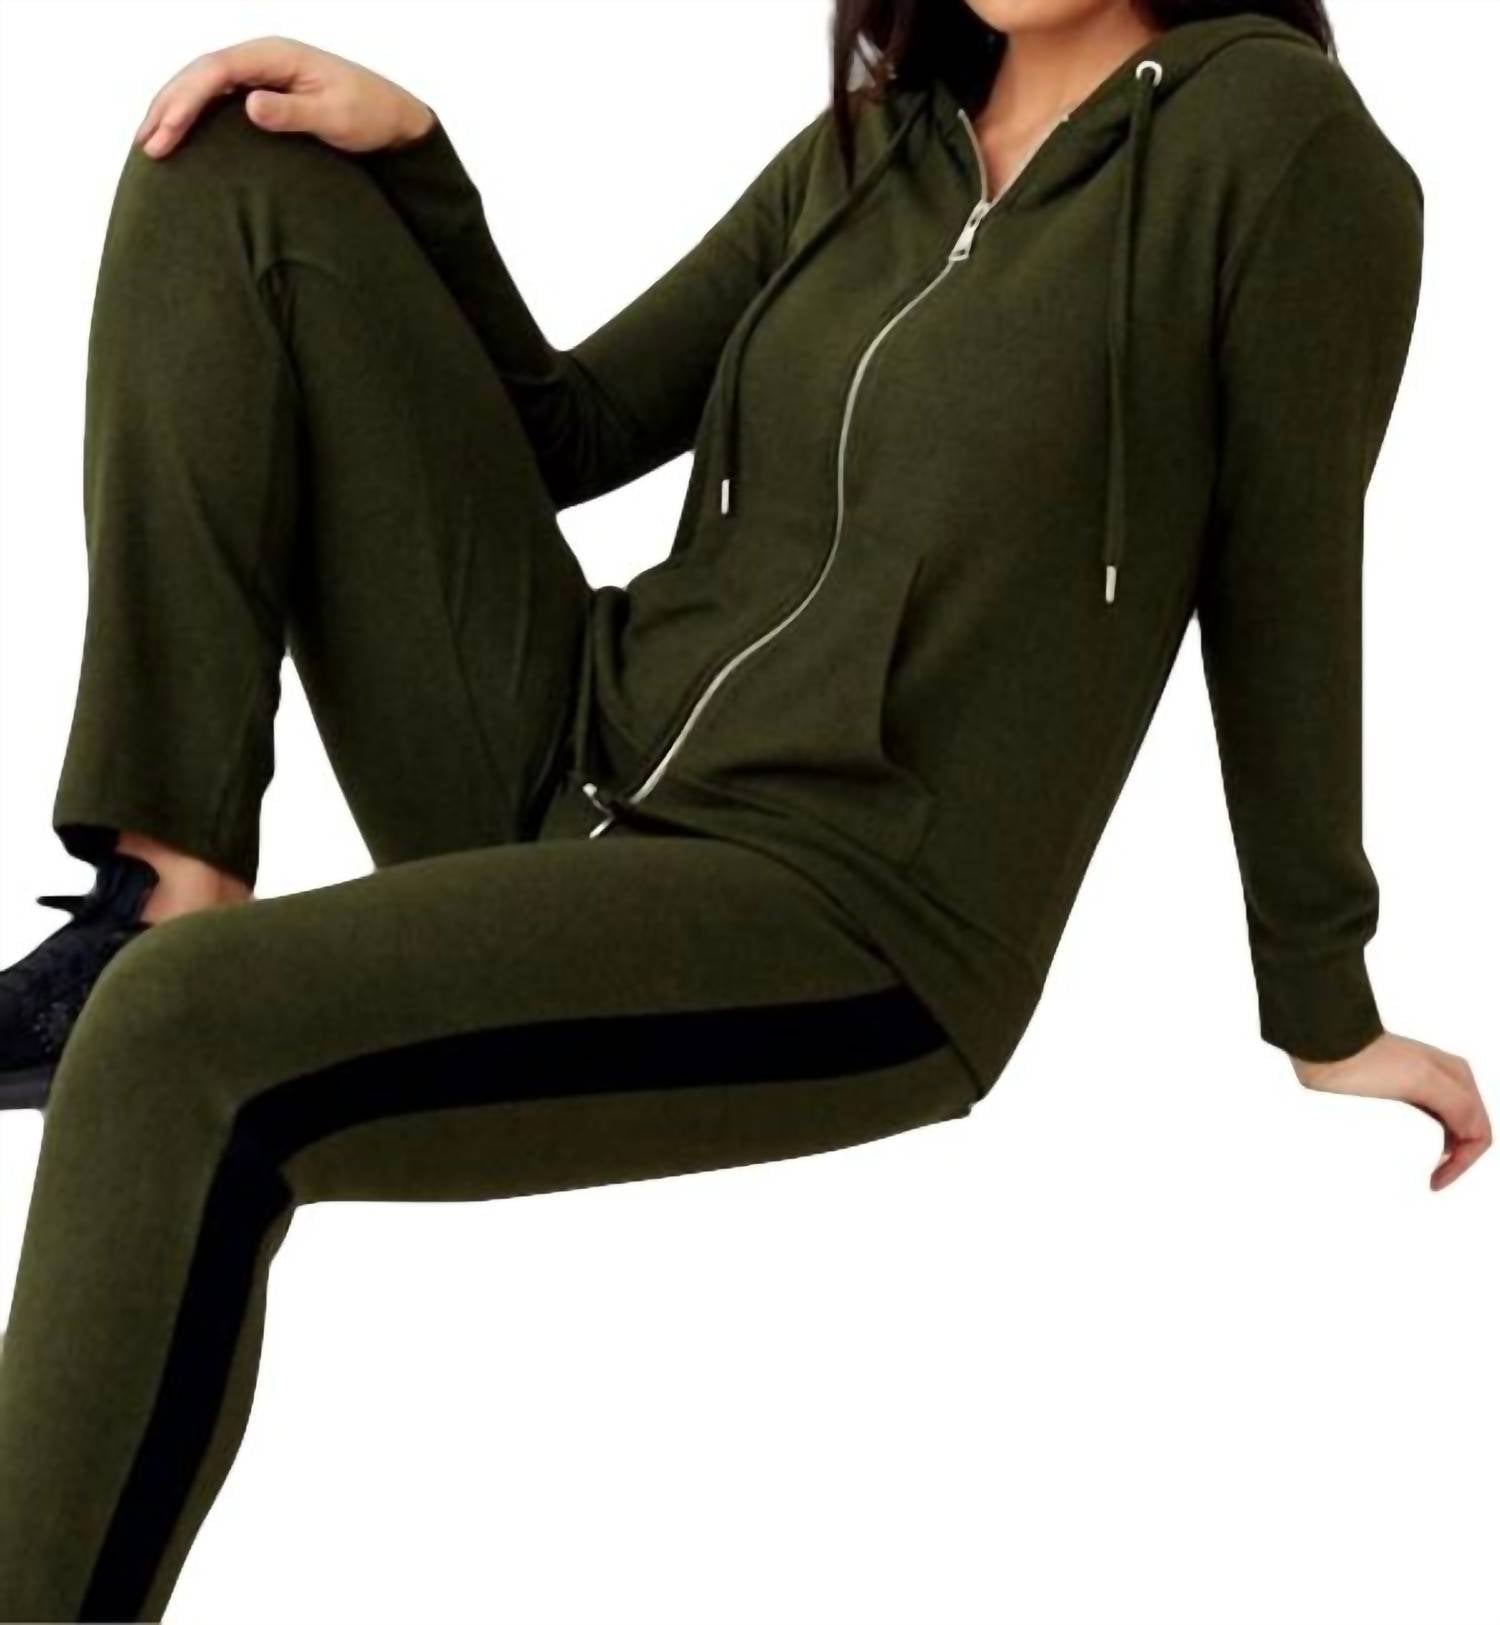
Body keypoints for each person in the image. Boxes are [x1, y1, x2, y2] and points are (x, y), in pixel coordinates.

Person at [0, 1, 1490, 1616]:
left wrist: (1324, 998)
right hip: (574, 746)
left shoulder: (1279, 149)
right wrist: (419, 164)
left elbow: (1288, 576)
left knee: (177, 1039)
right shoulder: (874, 152)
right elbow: (565, 430)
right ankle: (162, 881)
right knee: (237, 170)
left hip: (844, 904)